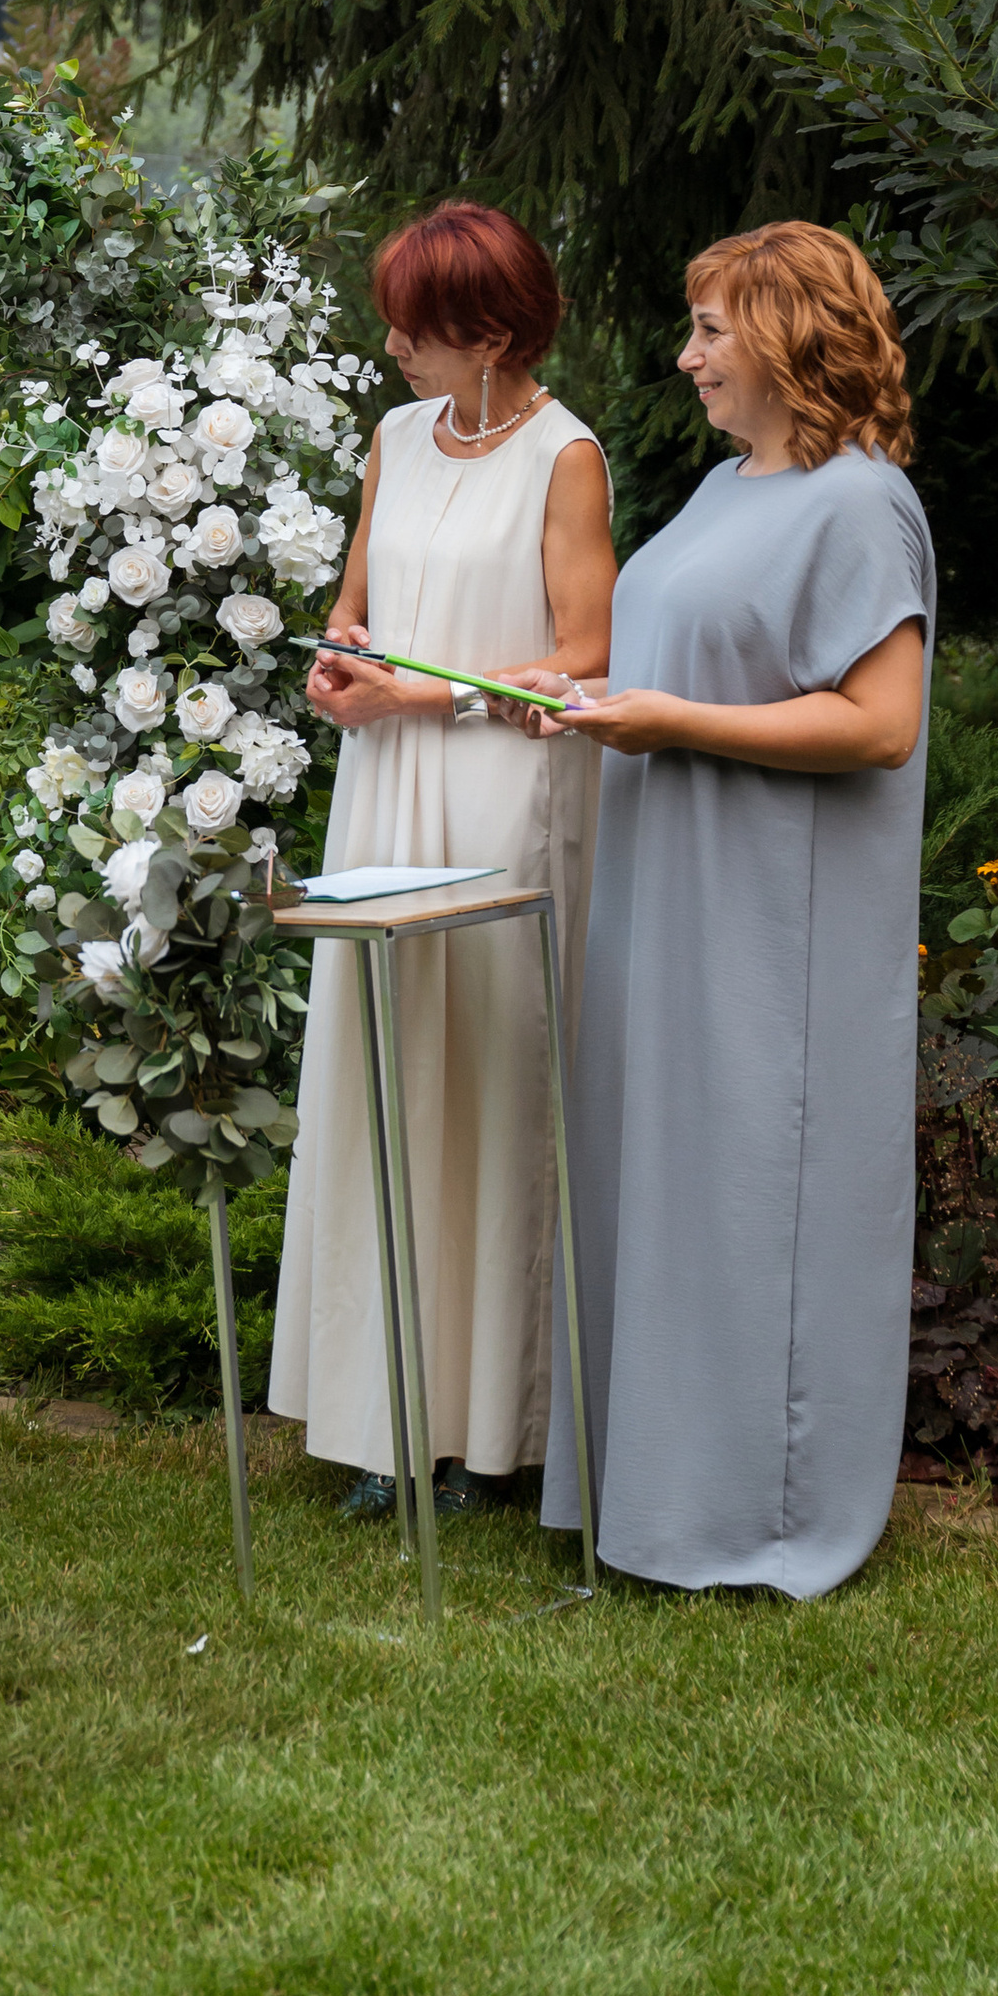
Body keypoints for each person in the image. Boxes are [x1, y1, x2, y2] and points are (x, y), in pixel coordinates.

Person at [541, 223, 934, 1597]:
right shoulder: (722, 489)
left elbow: (882, 723)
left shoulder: (862, 500)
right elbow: (672, 657)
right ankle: (656, 1491)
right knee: (667, 1185)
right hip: (669, 895)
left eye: (710, 327)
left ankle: (759, 1513)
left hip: (777, 924)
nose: (686, 352)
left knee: (753, 1195)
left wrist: (669, 719)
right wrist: (594, 703)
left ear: (785, 336)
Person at [269, 201, 616, 1510]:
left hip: (501, 783)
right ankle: (380, 1413)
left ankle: (488, 1435)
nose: (394, 342)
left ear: (492, 330)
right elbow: (361, 598)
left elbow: (588, 651)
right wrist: (340, 657)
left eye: (416, 324)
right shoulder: (395, 437)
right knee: (384, 1068)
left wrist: (432, 696)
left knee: (490, 1079)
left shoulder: (566, 455)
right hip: (384, 782)